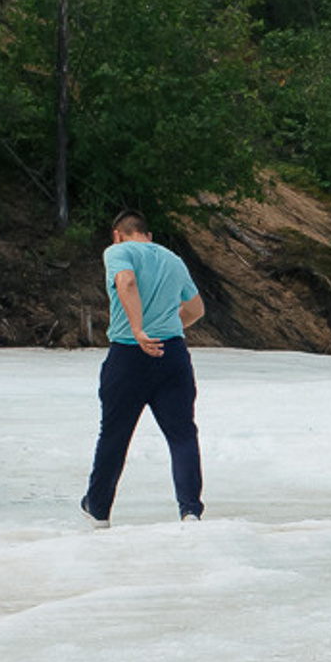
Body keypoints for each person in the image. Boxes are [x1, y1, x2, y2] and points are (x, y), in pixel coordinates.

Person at [80, 213, 206, 524]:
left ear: (118, 235)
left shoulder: (118, 252)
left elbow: (127, 281)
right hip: (172, 354)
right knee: (182, 435)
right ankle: (190, 509)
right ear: (147, 235)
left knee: (114, 435)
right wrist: (166, 327)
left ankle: (98, 509)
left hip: (129, 354)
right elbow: (196, 309)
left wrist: (139, 330)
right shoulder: (174, 259)